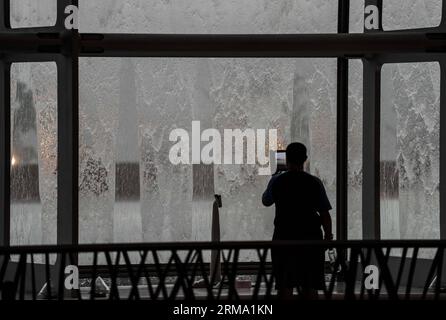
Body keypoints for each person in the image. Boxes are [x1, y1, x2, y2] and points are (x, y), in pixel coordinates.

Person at [262, 142, 333, 299]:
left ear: (286, 159)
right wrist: (328, 237)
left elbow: (266, 201)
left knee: (285, 286)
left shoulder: (277, 181)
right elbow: (324, 214)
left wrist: (273, 179)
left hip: (284, 239)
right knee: (310, 286)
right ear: (305, 159)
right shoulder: (314, 182)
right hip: (311, 240)